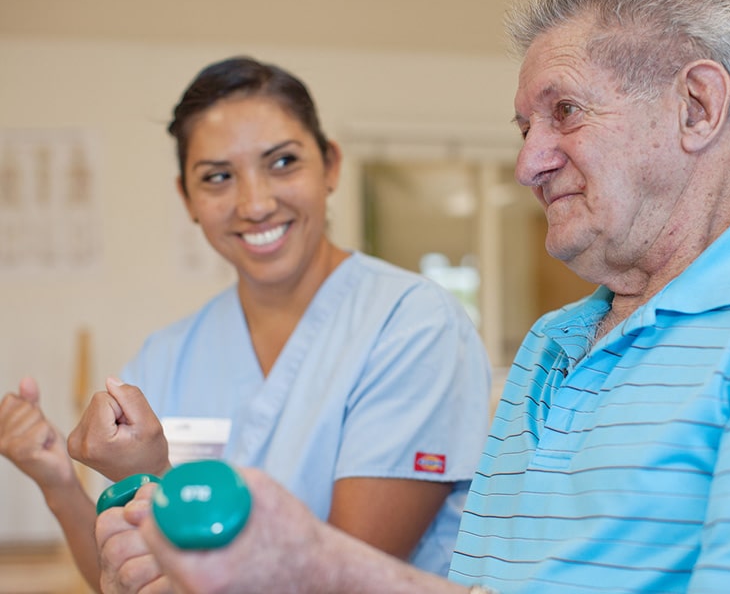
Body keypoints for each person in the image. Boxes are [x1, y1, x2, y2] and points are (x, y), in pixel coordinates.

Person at [94, 0, 730, 592]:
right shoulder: (549, 347)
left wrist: (309, 561)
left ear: (698, 107)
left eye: (567, 112)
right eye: (526, 128)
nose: (527, 163)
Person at [0, 57, 492, 592]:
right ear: (187, 198)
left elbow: (340, 573)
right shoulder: (166, 356)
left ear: (329, 165)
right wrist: (57, 483)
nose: (255, 204)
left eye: (282, 162)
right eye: (217, 177)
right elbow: (117, 574)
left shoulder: (412, 325)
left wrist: (161, 480)